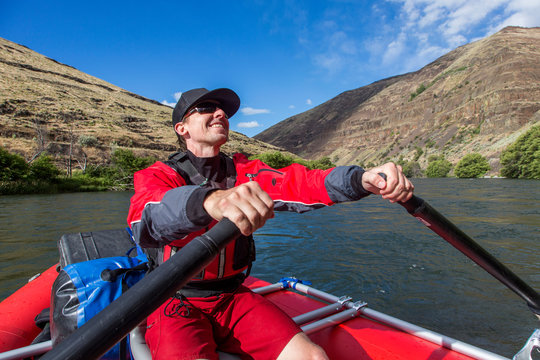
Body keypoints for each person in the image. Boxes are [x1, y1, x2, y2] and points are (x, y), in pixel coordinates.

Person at [127, 87, 414, 360]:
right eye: (206, 108)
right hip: (175, 299)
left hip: (232, 296)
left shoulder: (245, 172)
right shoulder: (158, 175)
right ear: (182, 128)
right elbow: (146, 217)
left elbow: (301, 182)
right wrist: (209, 201)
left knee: (312, 356)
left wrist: (360, 179)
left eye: (224, 111)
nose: (220, 114)